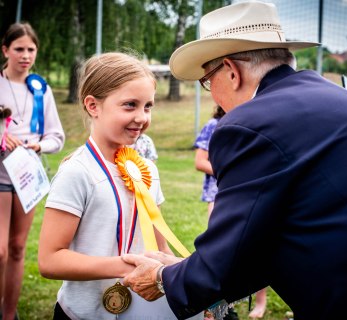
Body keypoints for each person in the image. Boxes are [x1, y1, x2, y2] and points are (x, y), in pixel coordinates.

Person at [121, 1, 347, 320]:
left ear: (232, 71)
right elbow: (270, 240)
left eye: (207, 80)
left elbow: (230, 253)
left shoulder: (248, 126)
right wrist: (184, 270)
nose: (213, 95)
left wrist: (161, 278)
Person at [37, 52, 203, 320]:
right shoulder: (77, 172)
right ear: (93, 106)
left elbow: (160, 249)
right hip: (82, 314)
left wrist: (186, 287)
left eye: (148, 106)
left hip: (139, 313)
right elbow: (49, 260)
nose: (141, 117)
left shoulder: (147, 170)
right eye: (130, 105)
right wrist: (126, 266)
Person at [0, 22, 65, 320]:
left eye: (30, 49)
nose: (25, 55)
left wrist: (37, 147)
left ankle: (9, 313)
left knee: (16, 248)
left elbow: (56, 137)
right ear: (5, 50)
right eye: (19, 49)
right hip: (1, 175)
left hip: (27, 177)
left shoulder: (40, 88)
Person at [195, 105, 266, 319]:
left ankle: (261, 302)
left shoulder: (257, 123)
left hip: (251, 195)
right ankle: (222, 305)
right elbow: (200, 161)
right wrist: (234, 172)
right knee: (218, 252)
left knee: (258, 249)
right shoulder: (213, 126)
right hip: (218, 196)